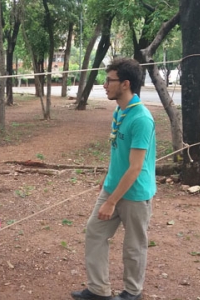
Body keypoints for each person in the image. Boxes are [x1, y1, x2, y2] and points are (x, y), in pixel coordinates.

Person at [71, 57, 156, 300]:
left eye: (109, 80)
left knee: (133, 245)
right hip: (113, 188)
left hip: (135, 194)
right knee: (95, 233)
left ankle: (132, 292)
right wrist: (108, 180)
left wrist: (111, 201)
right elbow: (117, 152)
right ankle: (99, 290)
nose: (104, 85)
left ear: (126, 84)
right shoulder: (120, 111)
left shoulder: (141, 118)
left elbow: (136, 167)